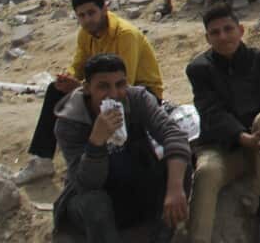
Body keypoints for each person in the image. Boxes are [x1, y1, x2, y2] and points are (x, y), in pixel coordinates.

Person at [15, 0, 164, 185]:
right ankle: (42, 158)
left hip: (138, 91)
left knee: (109, 98)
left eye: (91, 13)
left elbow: (125, 83)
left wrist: (83, 87)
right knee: (55, 90)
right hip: (101, 88)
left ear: (104, 9)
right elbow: (78, 66)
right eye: (81, 16)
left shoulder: (125, 35)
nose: (87, 20)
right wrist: (67, 79)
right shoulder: (86, 35)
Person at [52, 54, 190, 242]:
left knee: (179, 165)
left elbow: (173, 135)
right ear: (86, 88)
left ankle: (161, 235)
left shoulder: (137, 99)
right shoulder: (70, 122)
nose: (114, 94)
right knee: (95, 203)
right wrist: (96, 142)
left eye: (120, 84)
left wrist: (175, 189)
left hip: (135, 182)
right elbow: (86, 184)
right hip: (95, 197)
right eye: (103, 86)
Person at [187, 7, 260, 243]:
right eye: (215, 33)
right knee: (206, 172)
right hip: (223, 146)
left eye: (228, 29)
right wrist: (243, 138)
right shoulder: (199, 69)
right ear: (207, 38)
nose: (223, 36)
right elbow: (211, 112)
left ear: (241, 30)